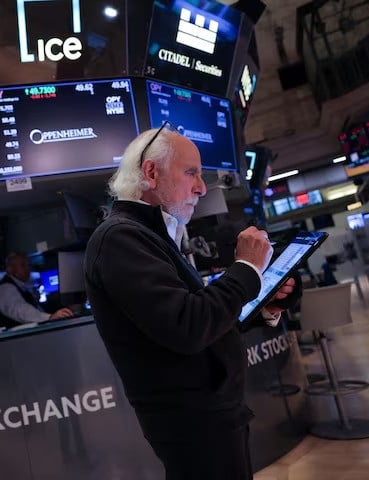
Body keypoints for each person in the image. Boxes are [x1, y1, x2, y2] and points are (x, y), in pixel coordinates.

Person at [84, 123, 301, 480]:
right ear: (151, 173)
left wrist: (264, 309)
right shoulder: (120, 237)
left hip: (211, 414)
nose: (201, 187)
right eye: (191, 173)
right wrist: (245, 268)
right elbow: (187, 326)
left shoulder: (150, 234)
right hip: (193, 422)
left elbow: (201, 318)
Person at [0, 253, 74, 328]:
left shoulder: (23, 288)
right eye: (23, 265)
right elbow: (21, 311)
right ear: (10, 269)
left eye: (28, 265)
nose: (28, 268)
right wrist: (49, 317)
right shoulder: (4, 289)